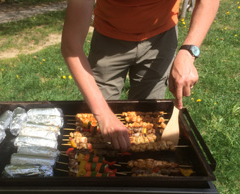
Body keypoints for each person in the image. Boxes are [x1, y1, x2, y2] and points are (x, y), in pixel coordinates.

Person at [61, 0, 219, 151]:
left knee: (148, 115)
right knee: (96, 121)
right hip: (109, 37)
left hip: (161, 36)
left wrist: (188, 52)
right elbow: (71, 45)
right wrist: (103, 115)